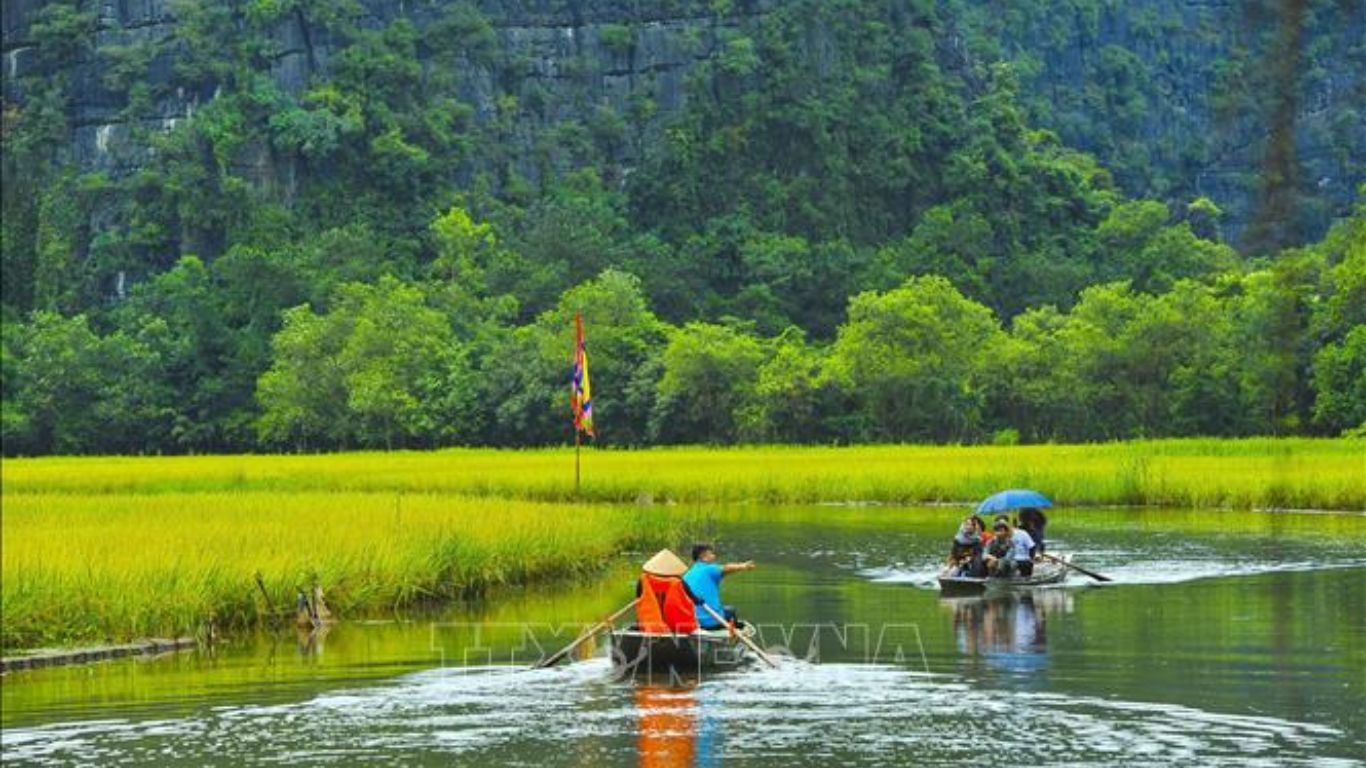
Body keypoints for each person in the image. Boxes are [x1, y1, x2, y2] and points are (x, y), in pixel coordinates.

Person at [683, 543, 755, 629]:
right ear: (703, 556)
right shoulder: (709, 569)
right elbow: (727, 568)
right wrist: (743, 566)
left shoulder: (686, 575)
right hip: (712, 621)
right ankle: (733, 635)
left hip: (693, 621)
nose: (714, 556)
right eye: (711, 553)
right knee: (731, 610)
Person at [634, 549, 699, 633]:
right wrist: (699, 600)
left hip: (651, 625)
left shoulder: (643, 580)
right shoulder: (678, 582)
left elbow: (639, 599)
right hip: (675, 625)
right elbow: (693, 599)